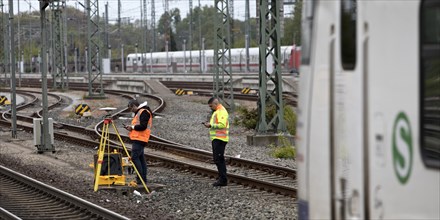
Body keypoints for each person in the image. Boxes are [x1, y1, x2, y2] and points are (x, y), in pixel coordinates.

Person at [124, 99, 153, 185]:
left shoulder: (144, 112)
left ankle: (140, 179)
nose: (131, 110)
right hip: (140, 138)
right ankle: (143, 179)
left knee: (135, 158)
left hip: (140, 138)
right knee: (141, 159)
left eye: (130, 108)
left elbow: (143, 126)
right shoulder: (141, 112)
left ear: (133, 105)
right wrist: (131, 128)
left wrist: (132, 127)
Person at [203, 97, 229, 187]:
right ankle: (222, 178)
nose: (211, 108)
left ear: (215, 104)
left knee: (219, 159)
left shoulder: (221, 111)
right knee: (218, 159)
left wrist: (210, 125)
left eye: (211, 106)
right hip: (217, 138)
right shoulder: (217, 111)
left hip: (220, 139)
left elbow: (222, 125)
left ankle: (223, 180)